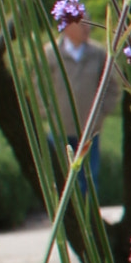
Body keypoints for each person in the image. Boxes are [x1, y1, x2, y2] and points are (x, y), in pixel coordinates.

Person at [46, 11, 116, 199]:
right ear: (68, 26)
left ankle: (89, 218)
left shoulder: (99, 53)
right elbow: (39, 88)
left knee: (90, 176)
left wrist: (101, 114)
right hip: (60, 127)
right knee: (61, 177)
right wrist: (48, 114)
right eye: (83, 24)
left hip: (89, 128)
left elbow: (112, 86)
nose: (88, 28)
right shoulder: (51, 53)